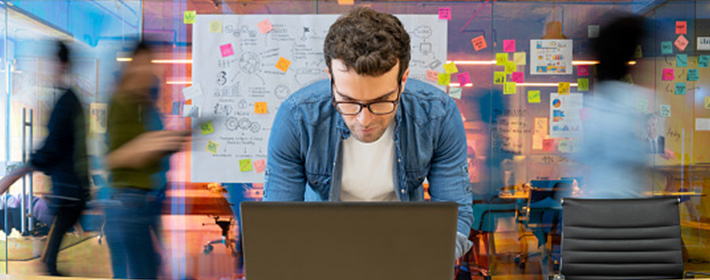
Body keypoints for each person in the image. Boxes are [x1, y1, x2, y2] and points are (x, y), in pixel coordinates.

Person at [263, 7, 473, 259]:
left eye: (381, 101)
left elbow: (455, 214)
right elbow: (280, 222)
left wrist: (433, 260)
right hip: (322, 253)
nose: (364, 120)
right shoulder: (297, 118)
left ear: (403, 79)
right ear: (331, 77)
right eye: (348, 101)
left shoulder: (438, 115)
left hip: (406, 253)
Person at [0, 41, 89, 276]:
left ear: (61, 65)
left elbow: (53, 148)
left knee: (48, 260)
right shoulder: (70, 101)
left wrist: (17, 173)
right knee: (49, 258)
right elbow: (56, 149)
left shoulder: (66, 104)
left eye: (50, 63)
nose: (46, 69)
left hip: (69, 192)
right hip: (70, 190)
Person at [104, 41, 188, 279]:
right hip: (128, 204)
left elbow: (148, 152)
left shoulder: (144, 106)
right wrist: (153, 144)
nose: (150, 71)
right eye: (144, 64)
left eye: (151, 64)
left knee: (150, 270)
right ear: (132, 66)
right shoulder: (121, 104)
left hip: (147, 200)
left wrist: (167, 143)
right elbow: (116, 157)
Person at [575, 15, 652, 198]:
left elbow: (585, 153)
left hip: (596, 205)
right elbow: (639, 155)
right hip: (628, 205)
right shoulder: (640, 100)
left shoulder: (592, 103)